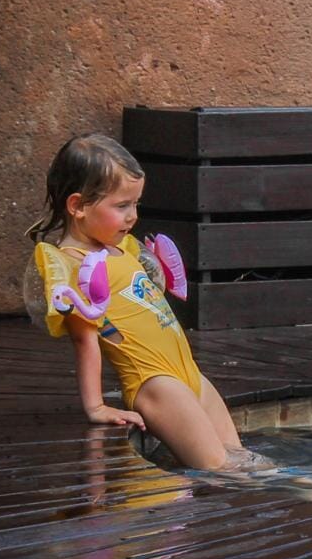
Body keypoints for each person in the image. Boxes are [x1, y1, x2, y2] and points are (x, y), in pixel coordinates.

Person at [25, 132, 246, 471]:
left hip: (187, 374)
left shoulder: (120, 248)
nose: (133, 216)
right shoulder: (73, 266)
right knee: (222, 469)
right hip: (154, 381)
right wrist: (96, 407)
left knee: (243, 461)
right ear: (78, 206)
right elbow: (85, 341)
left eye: (135, 204)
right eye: (121, 205)